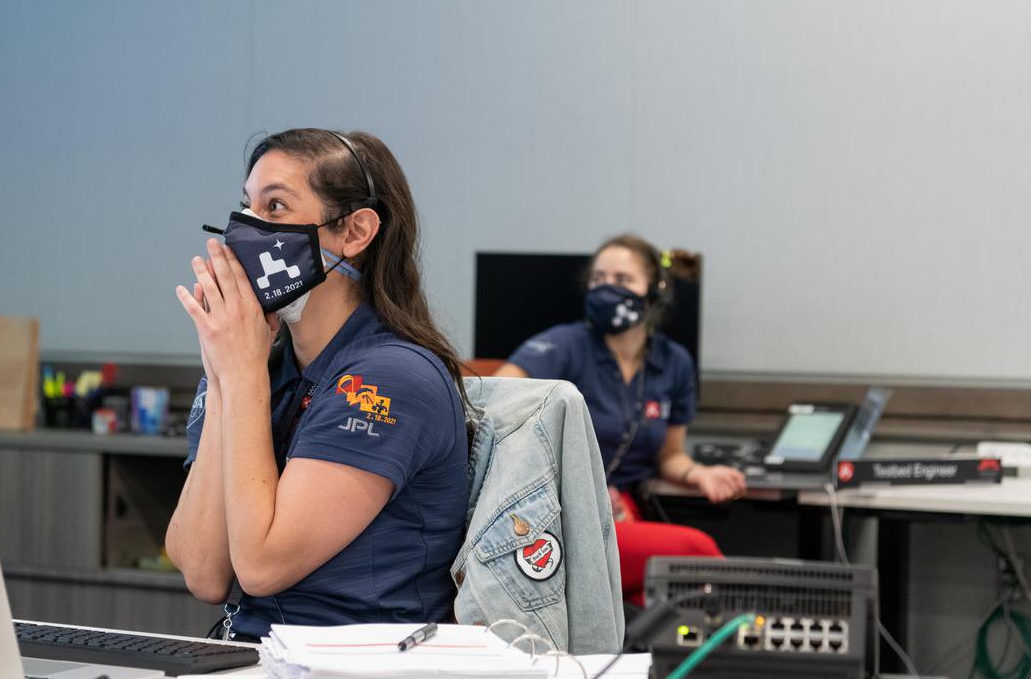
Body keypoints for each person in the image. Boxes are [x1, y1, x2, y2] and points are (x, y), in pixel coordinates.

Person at [166, 128, 468, 642]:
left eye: (276, 206)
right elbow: (203, 571)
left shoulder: (391, 377)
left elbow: (261, 566)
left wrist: (239, 377)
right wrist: (223, 379)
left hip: (360, 678)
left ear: (355, 233)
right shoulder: (256, 365)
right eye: (247, 206)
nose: (247, 229)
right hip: (254, 662)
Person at [495, 233, 745, 604]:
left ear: (654, 292)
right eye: (598, 280)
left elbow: (670, 456)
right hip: (564, 517)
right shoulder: (564, 346)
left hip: (626, 513)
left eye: (622, 281)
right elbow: (495, 405)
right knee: (698, 550)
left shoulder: (674, 363)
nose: (606, 290)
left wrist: (699, 474)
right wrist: (579, 485)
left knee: (663, 603)